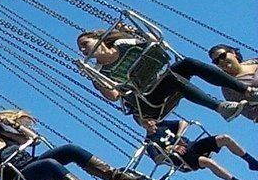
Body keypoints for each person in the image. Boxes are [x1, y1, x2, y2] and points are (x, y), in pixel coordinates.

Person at [78, 29, 252, 122]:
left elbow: (156, 43)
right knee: (171, 79)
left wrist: (134, 32)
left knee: (188, 64)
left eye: (85, 43)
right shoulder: (99, 71)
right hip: (147, 102)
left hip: (159, 83)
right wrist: (94, 77)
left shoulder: (123, 43)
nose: (84, 49)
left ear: (97, 37)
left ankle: (247, 90)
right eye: (81, 48)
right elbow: (114, 97)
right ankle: (220, 108)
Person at [142, 118, 258, 180]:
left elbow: (184, 122)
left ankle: (252, 162)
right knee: (208, 162)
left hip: (192, 146)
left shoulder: (163, 125)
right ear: (142, 124)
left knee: (225, 138)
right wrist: (171, 149)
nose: (150, 122)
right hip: (183, 159)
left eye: (150, 119)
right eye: (146, 121)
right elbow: (157, 160)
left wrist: (178, 136)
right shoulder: (149, 141)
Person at [207, 46, 258, 114]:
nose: (221, 61)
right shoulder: (229, 87)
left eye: (222, 56)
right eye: (216, 61)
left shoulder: (254, 62)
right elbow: (250, 112)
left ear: (233, 52)